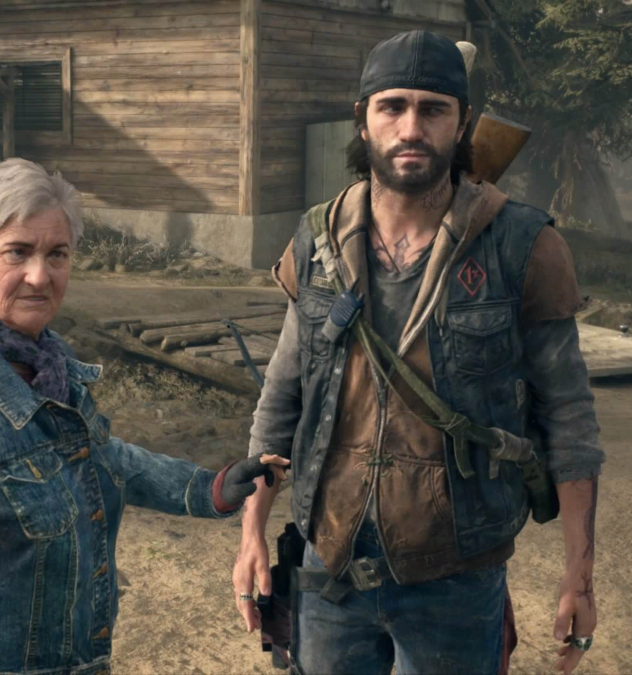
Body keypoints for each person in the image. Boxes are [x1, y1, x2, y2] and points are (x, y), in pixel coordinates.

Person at [231, 30, 605, 675]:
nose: (411, 128)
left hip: (456, 578)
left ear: (463, 124)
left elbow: (569, 419)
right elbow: (283, 397)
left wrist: (581, 577)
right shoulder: (317, 241)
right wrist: (251, 533)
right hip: (330, 564)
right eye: (393, 107)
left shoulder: (522, 246)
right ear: (364, 119)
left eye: (433, 109)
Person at [0, 158, 290, 675]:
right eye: (17, 252)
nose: (39, 276)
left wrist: (209, 488)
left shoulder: (52, 367)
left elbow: (101, 458)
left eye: (57, 254)